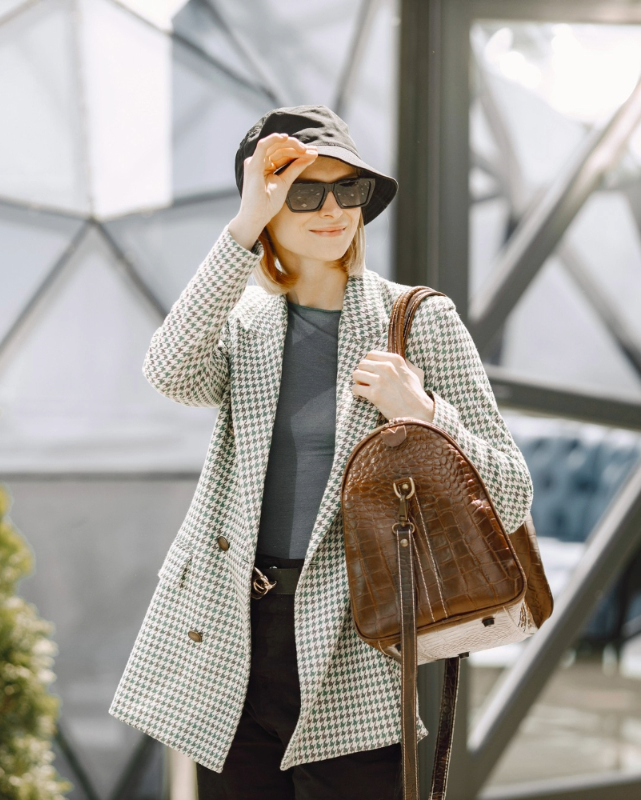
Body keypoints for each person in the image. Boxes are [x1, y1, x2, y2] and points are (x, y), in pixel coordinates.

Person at [109, 105, 534, 799]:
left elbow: (511, 491)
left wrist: (423, 413)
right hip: (232, 637)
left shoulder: (419, 320)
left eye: (349, 190)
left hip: (352, 638)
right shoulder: (245, 324)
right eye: (305, 192)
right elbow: (169, 370)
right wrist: (242, 227)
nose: (332, 209)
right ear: (269, 204)